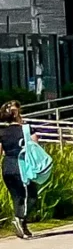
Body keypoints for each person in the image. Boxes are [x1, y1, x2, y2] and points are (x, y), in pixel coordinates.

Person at [0, 102, 33, 238]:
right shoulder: (26, 129)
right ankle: (20, 218)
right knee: (31, 196)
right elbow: (34, 147)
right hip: (22, 165)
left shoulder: (1, 132)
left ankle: (23, 226)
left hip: (7, 165)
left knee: (17, 197)